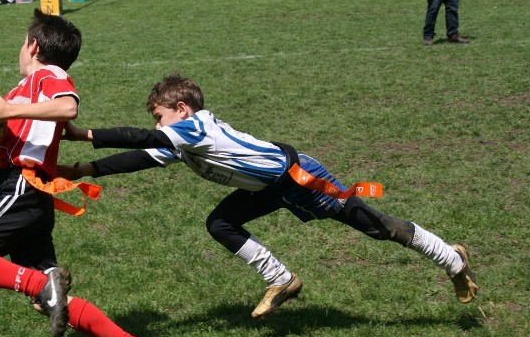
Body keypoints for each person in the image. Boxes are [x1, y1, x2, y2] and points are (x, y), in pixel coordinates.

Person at [59, 74, 479, 318]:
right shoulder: (183, 136)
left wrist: (85, 134)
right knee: (220, 223)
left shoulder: (196, 126)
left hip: (300, 178)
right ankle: (280, 279)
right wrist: (81, 170)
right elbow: (142, 157)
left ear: (182, 109)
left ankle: (453, 260)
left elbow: (145, 137)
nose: (157, 124)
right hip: (266, 189)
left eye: (160, 115)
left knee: (375, 227)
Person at [0, 9, 167, 337]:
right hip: (30, 192)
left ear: (33, 46)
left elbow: (68, 107)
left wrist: (7, 109)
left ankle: (44, 282)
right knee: (49, 303)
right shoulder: (20, 94)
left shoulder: (47, 76)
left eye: (23, 41)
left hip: (22, 190)